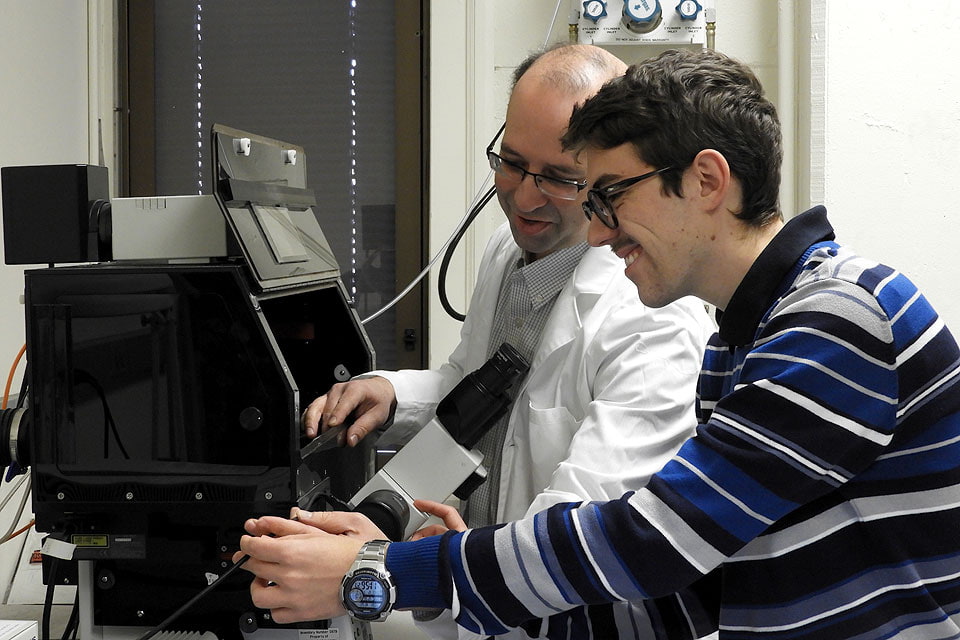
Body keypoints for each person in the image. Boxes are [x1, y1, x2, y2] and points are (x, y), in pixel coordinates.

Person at [237, 47, 960, 639]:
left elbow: (645, 541)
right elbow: (690, 594)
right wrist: (444, 587)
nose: (601, 230)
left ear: (706, 181)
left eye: (609, 195)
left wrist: (380, 572)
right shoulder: (740, 349)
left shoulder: (841, 317)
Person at [299, 43, 712, 638]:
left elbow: (577, 535)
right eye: (512, 162)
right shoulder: (506, 248)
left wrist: (418, 567)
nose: (523, 197)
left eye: (560, 179)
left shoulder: (652, 321)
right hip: (475, 586)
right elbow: (475, 376)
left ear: (604, 176)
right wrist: (390, 391)